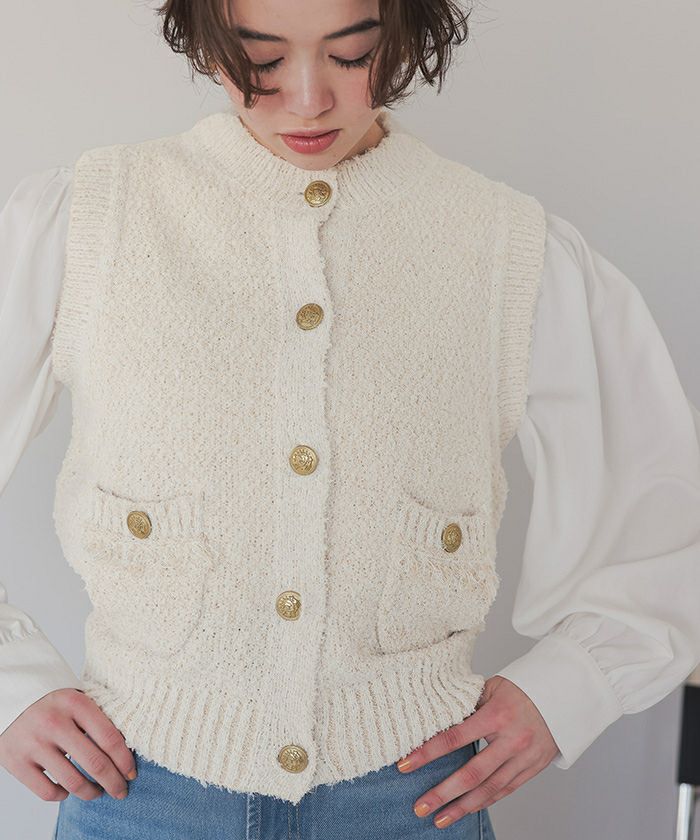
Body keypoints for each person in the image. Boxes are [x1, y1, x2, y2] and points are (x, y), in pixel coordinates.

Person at [1, 1, 699, 837]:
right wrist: (11, 686)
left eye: (353, 53)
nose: (308, 99)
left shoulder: (506, 248)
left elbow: (662, 515)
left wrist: (571, 688)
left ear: (406, 34)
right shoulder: (93, 219)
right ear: (208, 40)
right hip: (138, 790)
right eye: (262, 59)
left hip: (412, 798)